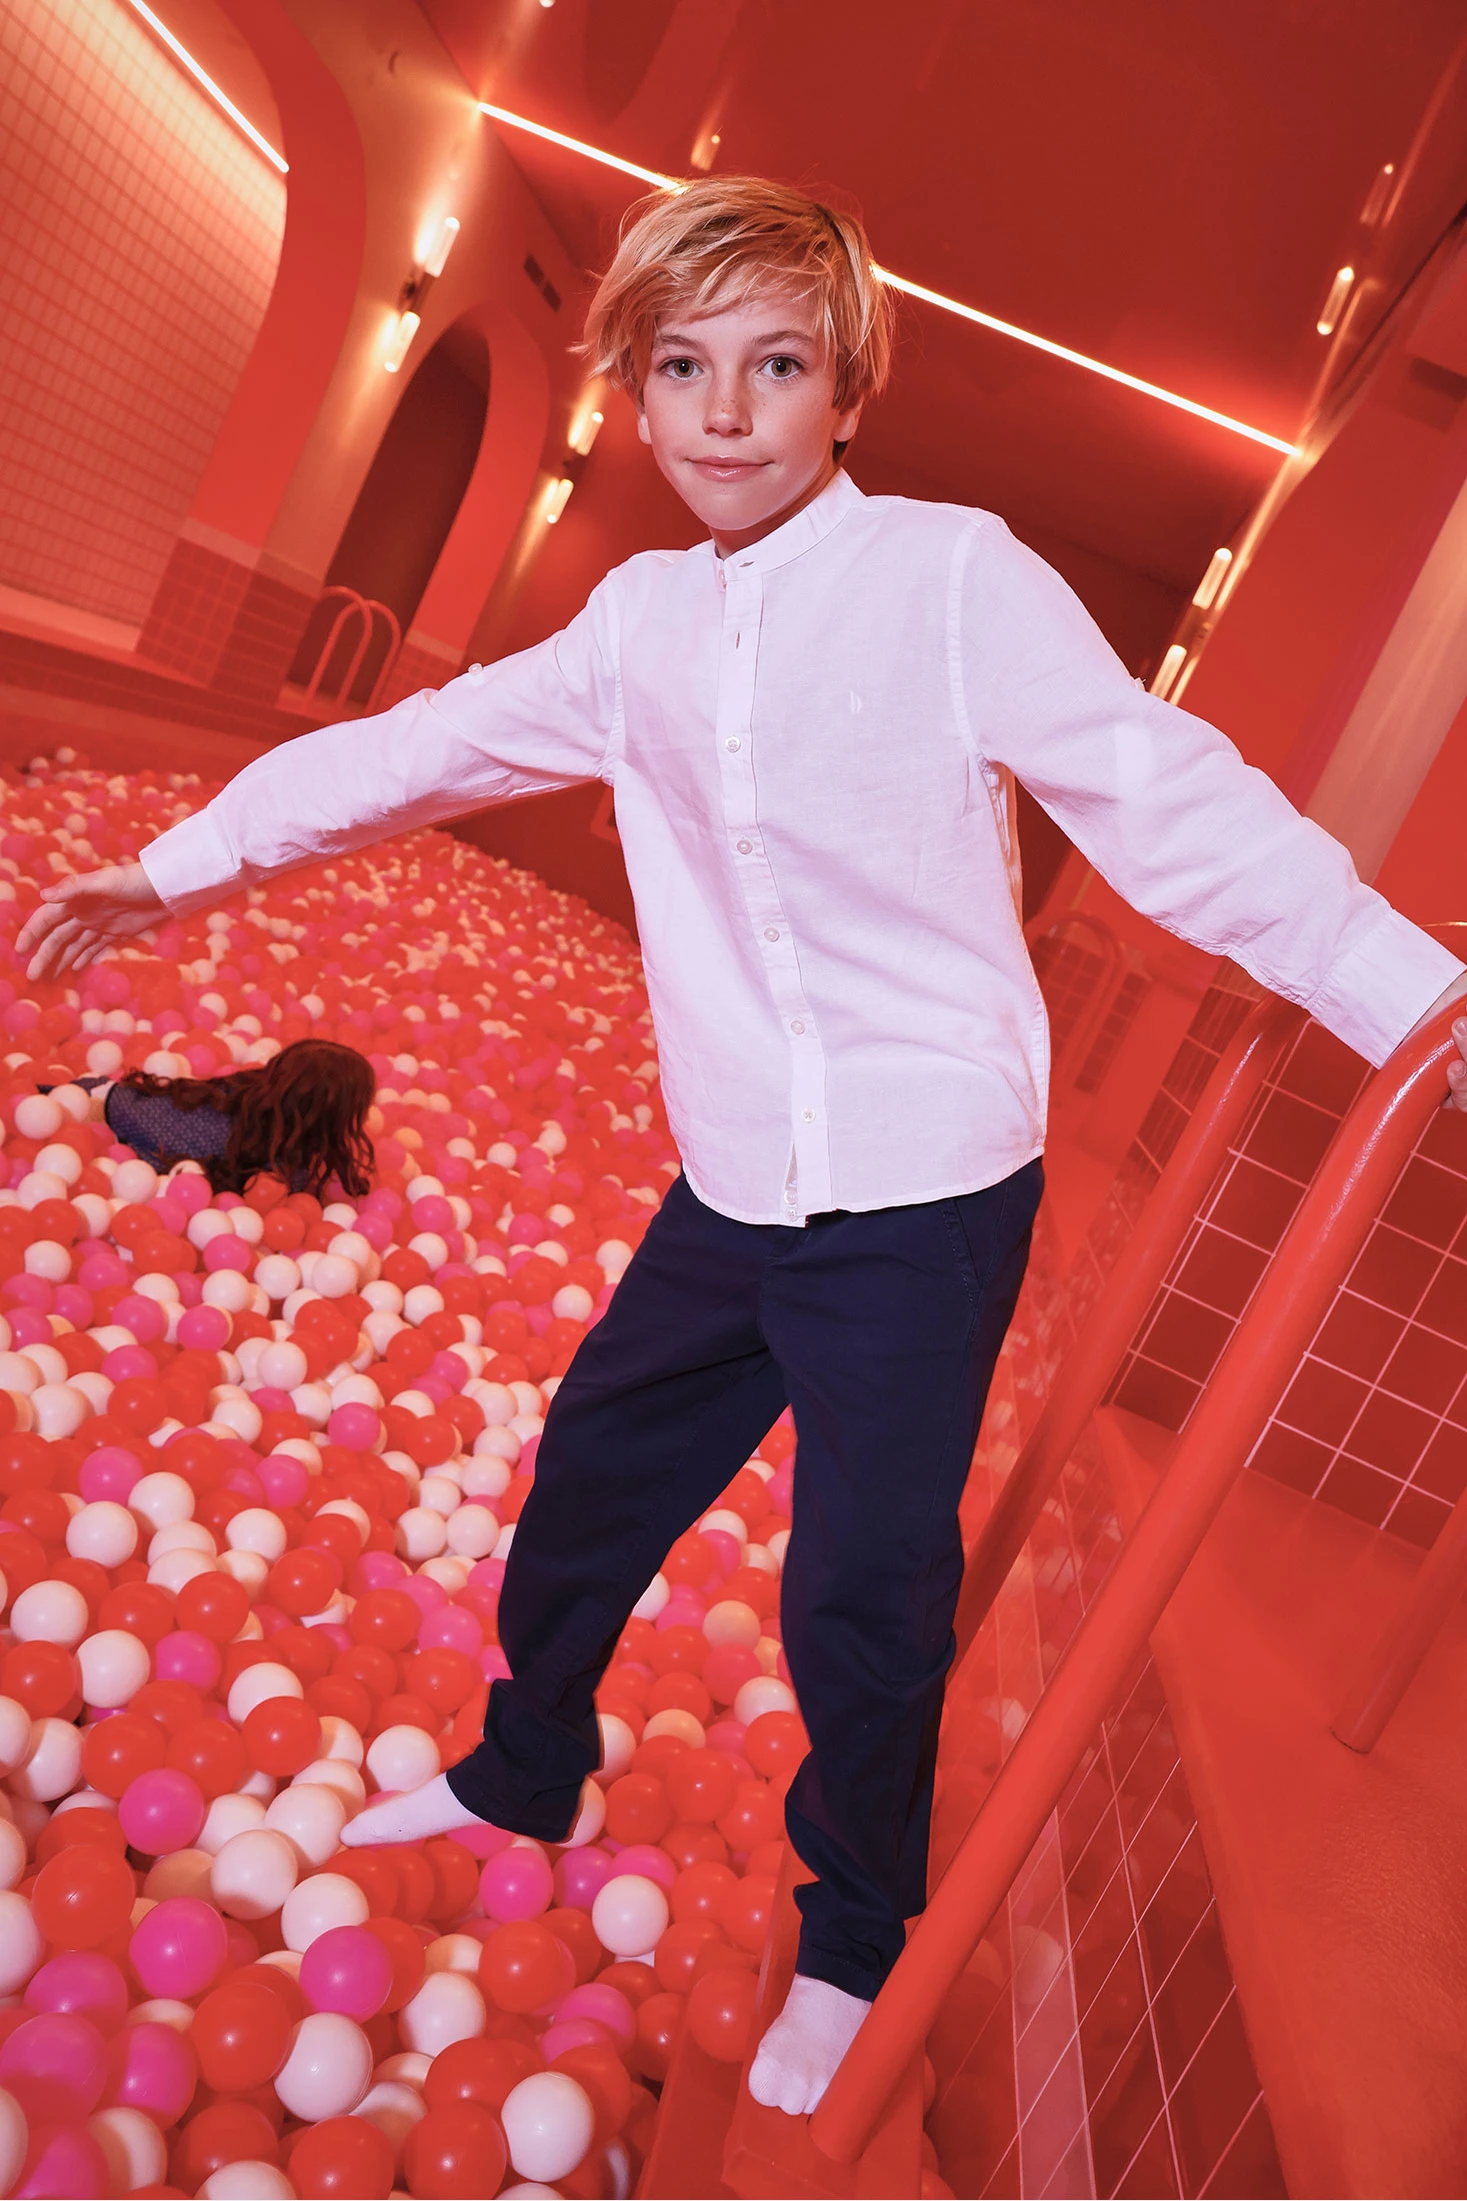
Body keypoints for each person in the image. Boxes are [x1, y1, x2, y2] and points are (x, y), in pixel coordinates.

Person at [18, 175, 1467, 2119]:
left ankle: (856, 1935)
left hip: (925, 1188)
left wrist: (1414, 1003)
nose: (723, 409)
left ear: (843, 388)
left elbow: (1169, 802)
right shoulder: (635, 626)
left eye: (773, 365)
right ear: (631, 390)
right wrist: (179, 864)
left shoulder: (951, 579)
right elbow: (415, 749)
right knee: (592, 1469)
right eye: (682, 366)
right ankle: (522, 1765)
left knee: (861, 1588)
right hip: (736, 1176)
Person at [43, 1038, 375, 1202]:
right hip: (95, 1104)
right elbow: (133, 1116)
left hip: (120, 1103)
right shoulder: (220, 1131)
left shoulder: (281, 1143)